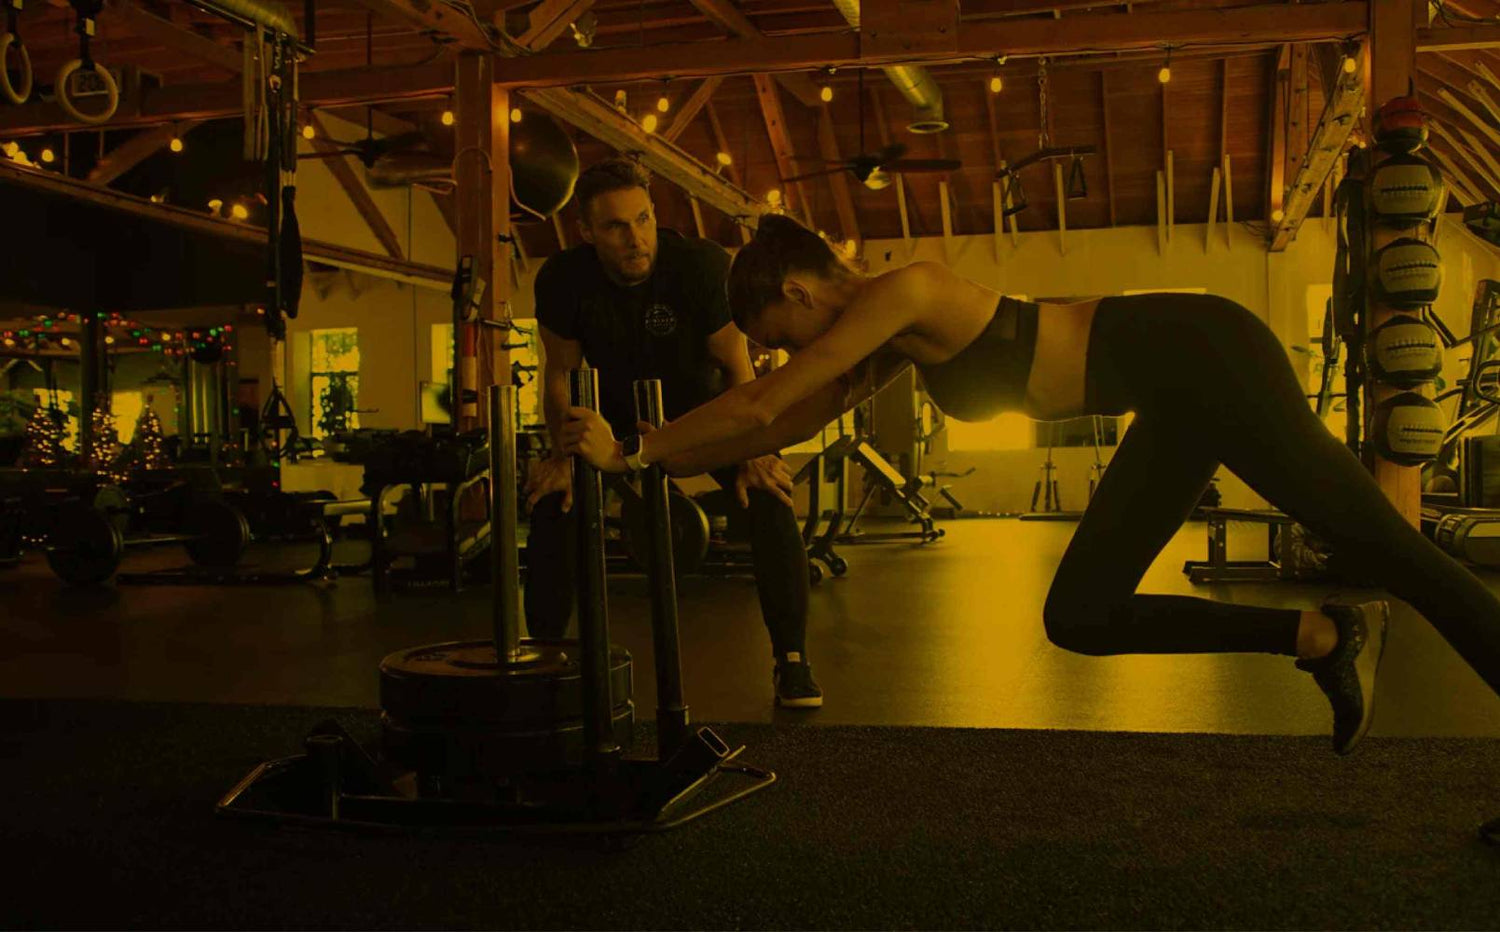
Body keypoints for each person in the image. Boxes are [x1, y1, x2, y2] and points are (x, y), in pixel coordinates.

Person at [563, 213, 1500, 755]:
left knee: (1390, 548)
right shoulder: (894, 339)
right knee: (1080, 615)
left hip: (1207, 354)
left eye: (780, 333)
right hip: (1175, 396)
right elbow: (788, 418)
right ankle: (1323, 635)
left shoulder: (907, 291)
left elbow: (767, 405)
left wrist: (633, 453)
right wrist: (646, 454)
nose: (787, 353)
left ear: (798, 295)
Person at [524, 159, 823, 709]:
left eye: (642, 219)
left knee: (770, 496)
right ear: (587, 231)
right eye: (616, 226)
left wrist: (758, 450)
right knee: (554, 505)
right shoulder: (562, 279)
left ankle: (793, 662)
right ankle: (542, 662)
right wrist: (563, 453)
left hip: (700, 413)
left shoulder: (701, 266)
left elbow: (736, 366)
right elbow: (561, 374)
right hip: (610, 419)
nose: (635, 238)